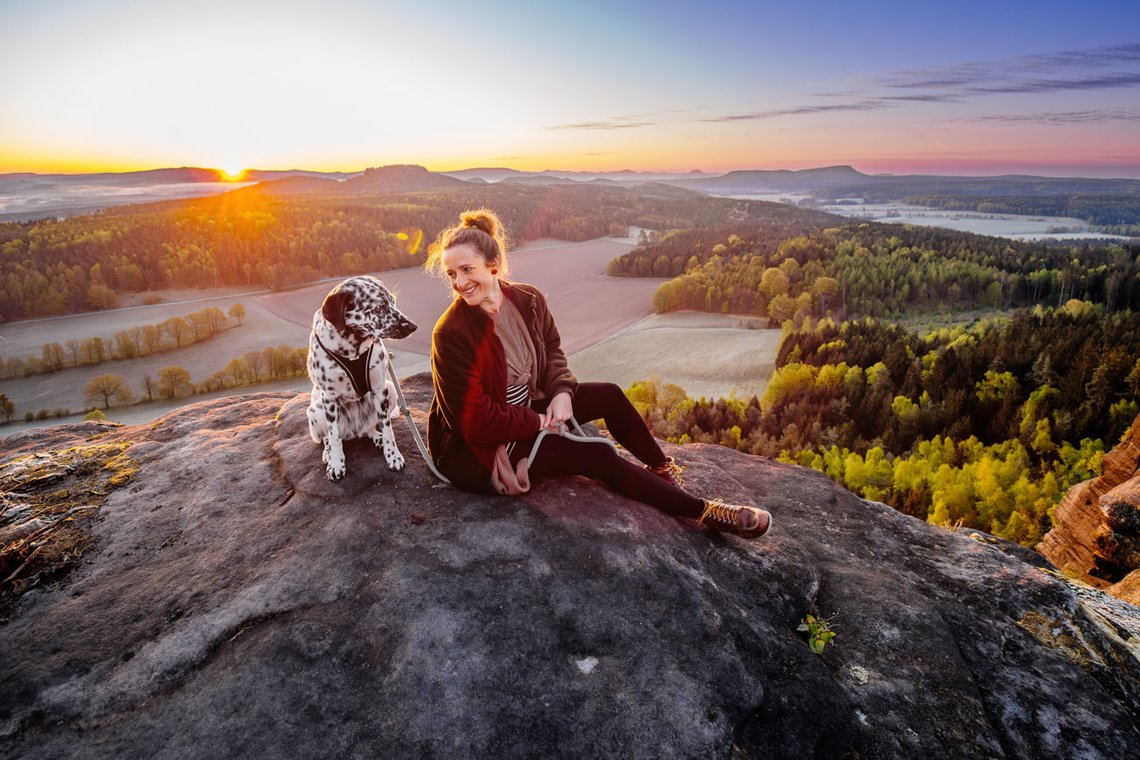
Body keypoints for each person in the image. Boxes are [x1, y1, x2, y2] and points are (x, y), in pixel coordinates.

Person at [423, 208, 770, 538]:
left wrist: (560, 393)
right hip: (484, 446)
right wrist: (538, 422)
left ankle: (662, 472)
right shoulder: (451, 332)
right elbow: (474, 423)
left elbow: (553, 351)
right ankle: (706, 513)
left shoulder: (527, 300)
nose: (459, 283)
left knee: (610, 394)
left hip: (530, 407)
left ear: (494, 265)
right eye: (452, 274)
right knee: (599, 454)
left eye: (467, 270)